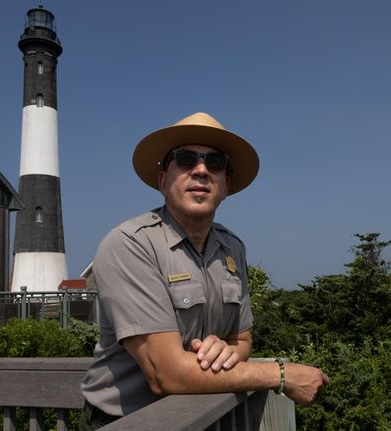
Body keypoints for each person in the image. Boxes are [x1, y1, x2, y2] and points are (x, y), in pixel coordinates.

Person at [79, 112, 329, 429]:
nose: (200, 170)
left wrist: (225, 349)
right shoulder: (130, 245)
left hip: (204, 417)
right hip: (129, 422)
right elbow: (164, 374)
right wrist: (280, 374)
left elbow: (242, 337)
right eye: (185, 159)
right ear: (163, 180)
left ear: (226, 184)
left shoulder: (232, 248)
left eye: (215, 163)